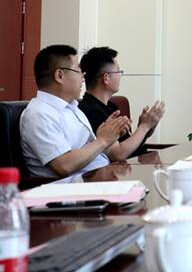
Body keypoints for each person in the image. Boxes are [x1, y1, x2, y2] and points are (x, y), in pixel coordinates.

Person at [20, 45, 131, 178]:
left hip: (99, 177)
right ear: (60, 75)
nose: (83, 78)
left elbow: (94, 150)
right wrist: (102, 140)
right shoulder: (39, 115)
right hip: (74, 187)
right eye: (79, 71)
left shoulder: (72, 108)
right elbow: (64, 166)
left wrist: (111, 134)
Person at [78, 46, 165, 158]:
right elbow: (118, 154)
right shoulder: (91, 111)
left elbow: (129, 148)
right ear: (106, 78)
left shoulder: (110, 107)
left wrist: (146, 130)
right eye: (118, 71)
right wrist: (144, 127)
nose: (120, 75)